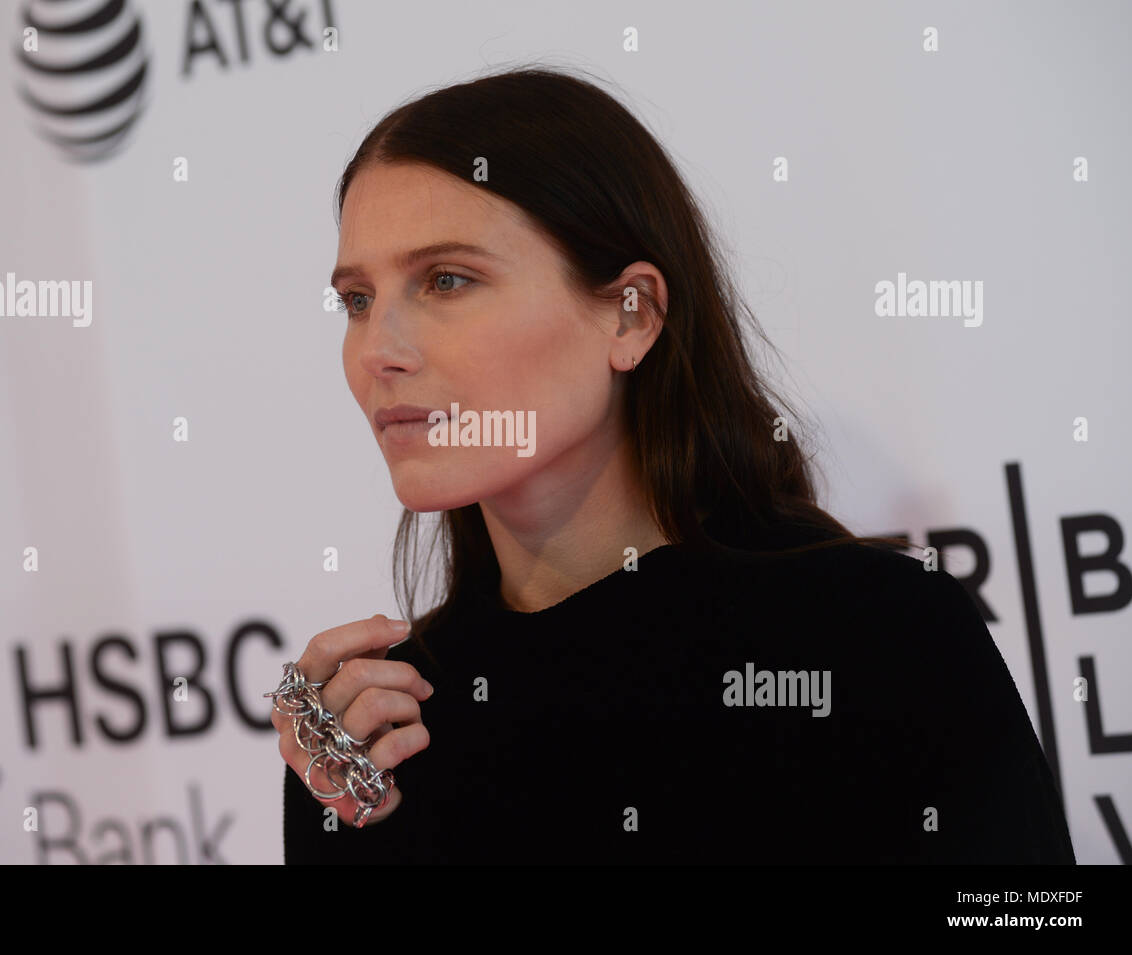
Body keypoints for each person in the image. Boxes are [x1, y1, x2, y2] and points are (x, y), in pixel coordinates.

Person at [274, 65, 1076, 864]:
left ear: (632, 316)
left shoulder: (882, 636)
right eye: (357, 300)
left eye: (446, 279)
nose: (379, 349)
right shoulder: (377, 729)